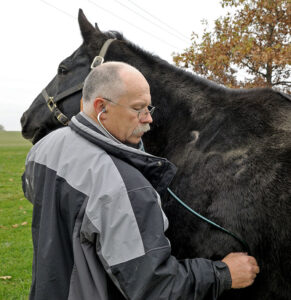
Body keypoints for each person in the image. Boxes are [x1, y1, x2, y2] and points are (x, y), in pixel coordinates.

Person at [22, 61, 259, 300]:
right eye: (138, 109)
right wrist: (224, 274)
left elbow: (37, 194)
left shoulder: (43, 149)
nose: (148, 119)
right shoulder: (123, 187)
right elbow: (155, 287)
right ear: (101, 107)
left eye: (149, 108)